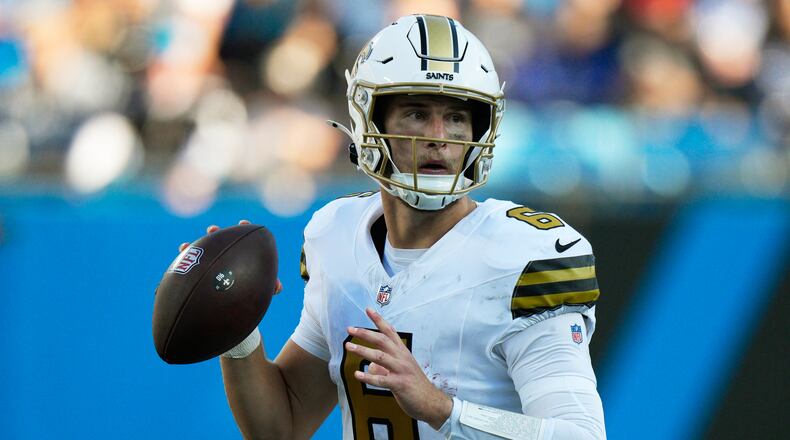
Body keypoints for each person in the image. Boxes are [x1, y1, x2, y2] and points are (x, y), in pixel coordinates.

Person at [185, 14, 606, 440]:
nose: (441, 137)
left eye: (458, 117)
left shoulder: (522, 256)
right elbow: (282, 425)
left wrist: (443, 410)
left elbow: (582, 435)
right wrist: (238, 328)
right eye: (417, 114)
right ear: (370, 122)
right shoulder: (335, 234)